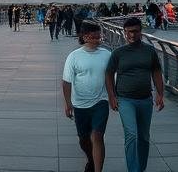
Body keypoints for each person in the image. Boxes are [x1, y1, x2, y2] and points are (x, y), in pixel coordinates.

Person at [105, 16, 164, 172]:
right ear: (124, 32)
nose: (132, 35)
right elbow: (109, 73)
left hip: (145, 99)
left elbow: (156, 71)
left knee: (144, 137)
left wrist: (160, 94)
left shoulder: (149, 51)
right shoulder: (118, 53)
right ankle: (133, 169)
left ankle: (141, 168)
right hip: (125, 100)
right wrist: (111, 96)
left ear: (141, 32)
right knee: (132, 134)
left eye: (135, 32)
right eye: (129, 32)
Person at [63, 21, 111, 172]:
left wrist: (114, 97)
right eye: (95, 37)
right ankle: (91, 159)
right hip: (80, 104)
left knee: (97, 135)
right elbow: (66, 82)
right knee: (83, 139)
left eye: (99, 37)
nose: (98, 40)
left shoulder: (107, 54)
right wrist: (68, 103)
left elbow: (112, 78)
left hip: (101, 101)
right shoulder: (74, 56)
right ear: (85, 37)